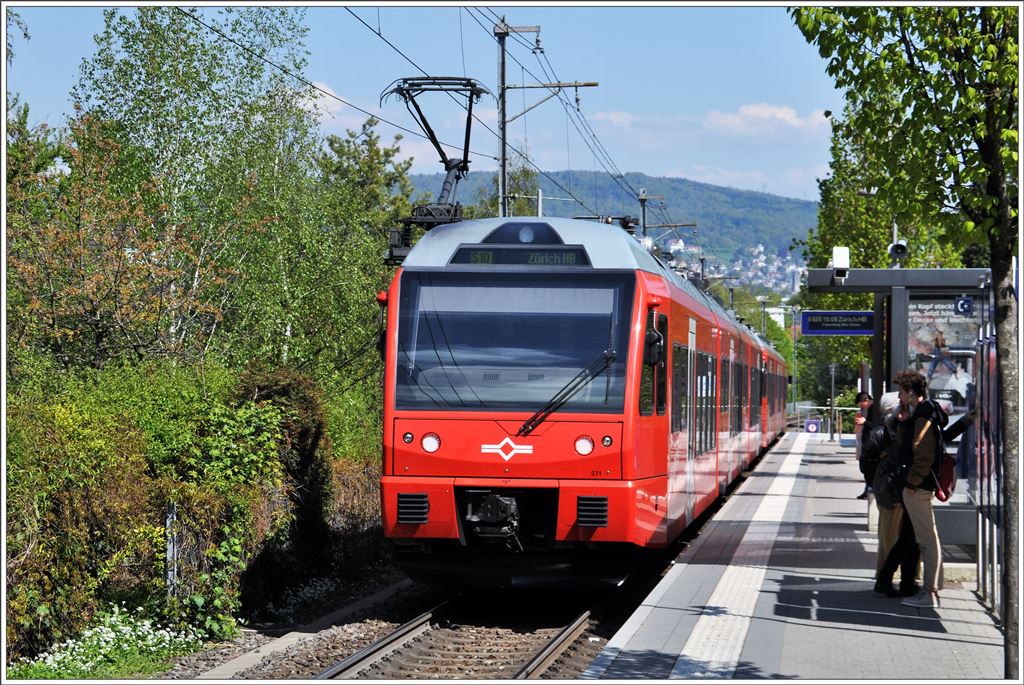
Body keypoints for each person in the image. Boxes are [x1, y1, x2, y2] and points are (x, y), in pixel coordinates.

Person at [893, 369, 948, 608]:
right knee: (930, 537)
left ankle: (929, 593)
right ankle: (934, 587)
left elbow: (922, 455)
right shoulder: (930, 411)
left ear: (911, 392)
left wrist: (912, 483)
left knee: (926, 539)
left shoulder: (923, 417)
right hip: (924, 485)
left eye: (901, 392)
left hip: (918, 488)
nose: (899, 397)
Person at [873, 394, 920, 597]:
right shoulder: (889, 431)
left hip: (900, 490)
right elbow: (870, 461)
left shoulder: (902, 428)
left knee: (908, 537)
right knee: (899, 538)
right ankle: (886, 579)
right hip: (895, 492)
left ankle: (902, 580)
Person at [853, 391, 879, 499]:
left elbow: (876, 426)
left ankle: (869, 489)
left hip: (872, 445)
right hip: (869, 442)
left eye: (861, 404)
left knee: (868, 468)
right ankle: (867, 489)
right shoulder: (870, 408)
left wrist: (864, 422)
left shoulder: (874, 409)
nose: (861, 407)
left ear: (866, 400)